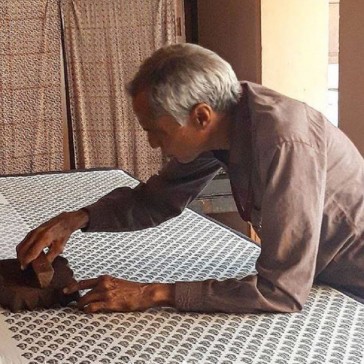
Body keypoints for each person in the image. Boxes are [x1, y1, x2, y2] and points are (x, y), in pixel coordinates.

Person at [16, 43, 364, 314]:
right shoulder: (226, 120)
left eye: (157, 131)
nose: (153, 143)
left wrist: (152, 292)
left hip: (353, 283)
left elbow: (281, 292)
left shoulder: (284, 141)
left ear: (200, 116)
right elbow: (157, 200)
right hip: (318, 274)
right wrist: (77, 219)